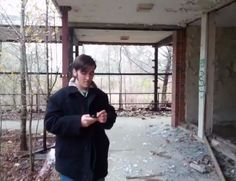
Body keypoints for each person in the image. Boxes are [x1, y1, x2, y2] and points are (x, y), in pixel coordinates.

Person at [45, 54, 117, 181]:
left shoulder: (101, 96)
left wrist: (106, 118)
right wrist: (78, 122)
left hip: (97, 163)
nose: (88, 77)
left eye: (91, 73)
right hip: (70, 164)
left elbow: (111, 115)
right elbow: (50, 123)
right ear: (74, 72)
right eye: (84, 72)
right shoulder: (60, 97)